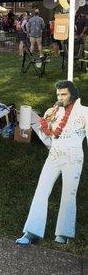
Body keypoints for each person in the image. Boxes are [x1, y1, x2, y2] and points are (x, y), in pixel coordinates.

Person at [16, 80, 88, 246]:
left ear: (73, 94)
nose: (60, 97)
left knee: (69, 193)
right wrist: (43, 124)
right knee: (41, 189)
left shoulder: (85, 112)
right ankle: (31, 231)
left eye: (64, 94)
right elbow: (48, 139)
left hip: (73, 156)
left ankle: (63, 233)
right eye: (58, 94)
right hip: (54, 155)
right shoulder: (52, 111)